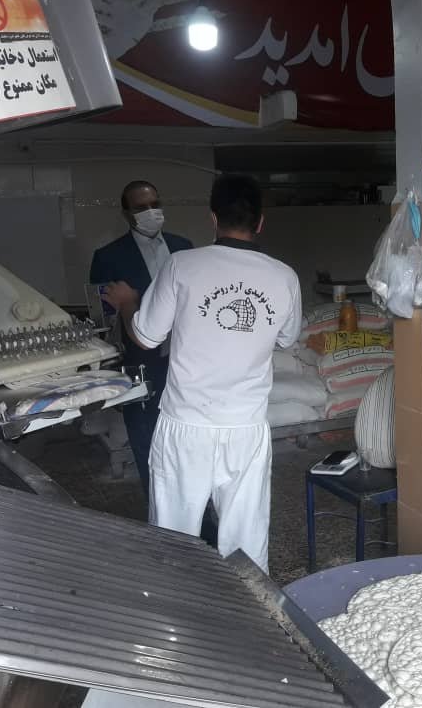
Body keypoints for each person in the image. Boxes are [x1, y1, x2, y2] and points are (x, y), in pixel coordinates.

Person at [103, 174, 302, 573]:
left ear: (213, 218)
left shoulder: (182, 265)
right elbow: (286, 338)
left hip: (186, 425)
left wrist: (127, 303)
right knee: (246, 541)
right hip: (245, 427)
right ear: (260, 222)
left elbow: (145, 336)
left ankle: (176, 607)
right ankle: (249, 606)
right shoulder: (285, 277)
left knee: (173, 537)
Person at [90, 180, 192, 496]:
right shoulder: (109, 256)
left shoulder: (184, 248)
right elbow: (101, 318)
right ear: (127, 214)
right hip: (140, 359)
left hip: (185, 357)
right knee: (145, 435)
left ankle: (195, 502)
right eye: (141, 208)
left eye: (155, 205)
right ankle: (157, 502)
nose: (151, 212)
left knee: (186, 436)